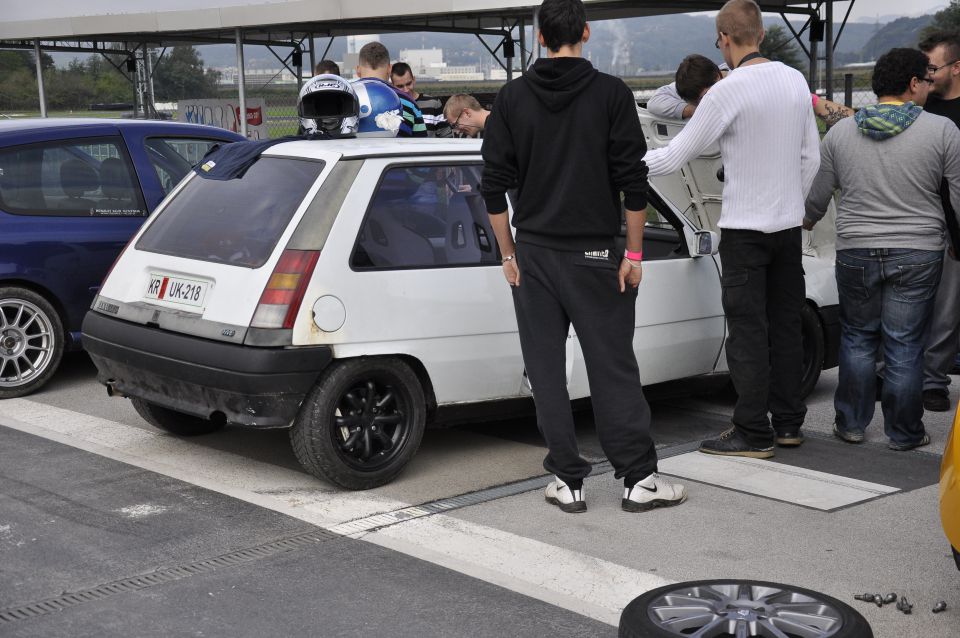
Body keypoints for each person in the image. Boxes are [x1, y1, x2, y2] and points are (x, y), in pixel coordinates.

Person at [481, 0, 687, 514]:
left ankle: (568, 481)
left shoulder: (512, 98)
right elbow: (633, 183)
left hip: (533, 253)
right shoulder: (611, 94)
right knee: (612, 367)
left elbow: (492, 189)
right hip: (597, 253)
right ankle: (638, 481)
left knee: (546, 368)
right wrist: (634, 252)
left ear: (539, 38)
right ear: (586, 33)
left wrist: (508, 255)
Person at [643, 0, 820, 458]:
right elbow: (811, 159)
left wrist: (620, 164)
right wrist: (790, 204)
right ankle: (787, 424)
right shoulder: (795, 80)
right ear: (760, 33)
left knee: (747, 332)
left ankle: (751, 433)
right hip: (786, 229)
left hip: (744, 230)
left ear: (724, 38)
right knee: (784, 327)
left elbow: (673, 156)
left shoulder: (726, 91)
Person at [805, 47, 960, 451]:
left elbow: (817, 199)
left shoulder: (840, 133)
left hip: (856, 248)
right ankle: (904, 432)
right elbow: (959, 200)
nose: (929, 87)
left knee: (857, 337)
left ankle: (851, 424)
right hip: (919, 250)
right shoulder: (942, 131)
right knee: (905, 343)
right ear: (912, 83)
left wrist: (803, 222)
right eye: (926, 80)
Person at [919, 30, 960, 413]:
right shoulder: (923, 108)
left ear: (956, 67)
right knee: (940, 310)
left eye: (933, 67)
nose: (928, 75)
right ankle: (933, 381)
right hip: (936, 223)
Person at [648, 54, 854, 128]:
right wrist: (693, 110)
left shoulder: (764, 79)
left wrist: (856, 122)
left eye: (705, 98)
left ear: (719, 76)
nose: (705, 103)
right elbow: (655, 101)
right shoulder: (696, 82)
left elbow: (815, 103)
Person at [355, 42, 427, 137]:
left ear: (358, 70)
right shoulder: (409, 103)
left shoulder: (343, 98)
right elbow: (421, 145)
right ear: (390, 69)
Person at [390, 62, 452, 137]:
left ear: (414, 80)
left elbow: (446, 136)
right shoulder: (390, 108)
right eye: (400, 86)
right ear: (392, 86)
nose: (406, 90)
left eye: (408, 84)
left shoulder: (433, 104)